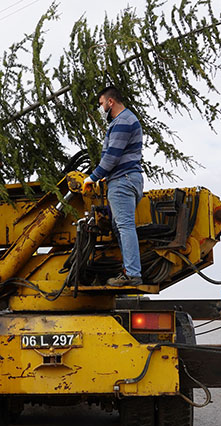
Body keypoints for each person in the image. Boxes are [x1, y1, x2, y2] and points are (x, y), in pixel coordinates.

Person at [83, 86, 144, 287]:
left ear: (110, 102)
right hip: (127, 179)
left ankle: (133, 273)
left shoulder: (122, 121)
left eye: (101, 104)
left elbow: (112, 156)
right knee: (120, 226)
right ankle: (128, 270)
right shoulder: (125, 120)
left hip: (122, 181)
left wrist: (92, 177)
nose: (100, 108)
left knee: (125, 226)